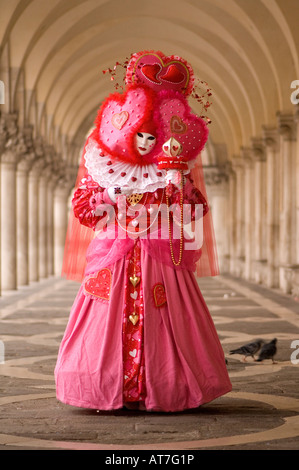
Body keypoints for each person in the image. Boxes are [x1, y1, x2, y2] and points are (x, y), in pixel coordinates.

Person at [54, 50, 232, 412]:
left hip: (162, 256)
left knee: (168, 315)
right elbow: (85, 209)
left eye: (153, 137)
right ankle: (108, 385)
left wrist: (178, 184)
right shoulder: (103, 165)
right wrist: (110, 192)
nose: (146, 143)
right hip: (114, 253)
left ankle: (164, 385)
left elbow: (196, 209)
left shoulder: (172, 166)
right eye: (141, 135)